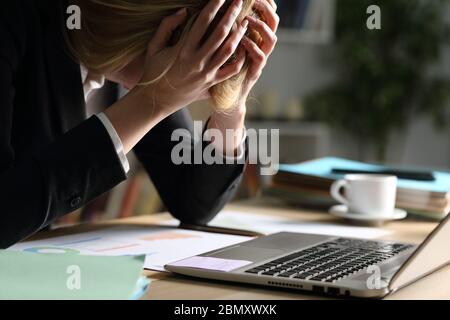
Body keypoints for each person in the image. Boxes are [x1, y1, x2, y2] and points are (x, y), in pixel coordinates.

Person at [0, 0, 278, 248]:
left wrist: (230, 104)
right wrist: (151, 101)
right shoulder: (15, 19)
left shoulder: (136, 58)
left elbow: (192, 201)